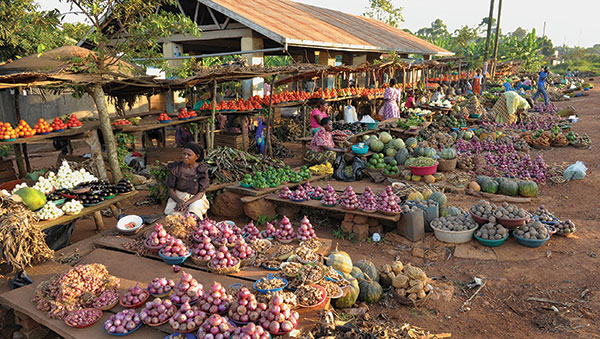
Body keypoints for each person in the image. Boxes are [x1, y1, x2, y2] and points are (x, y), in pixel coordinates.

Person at [164, 143, 210, 219]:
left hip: (196, 198)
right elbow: (170, 189)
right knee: (175, 216)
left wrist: (186, 203)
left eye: (189, 155)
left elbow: (201, 192)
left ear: (197, 157)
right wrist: (179, 201)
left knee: (193, 212)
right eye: (184, 154)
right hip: (178, 196)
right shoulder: (177, 169)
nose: (185, 156)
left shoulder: (201, 170)